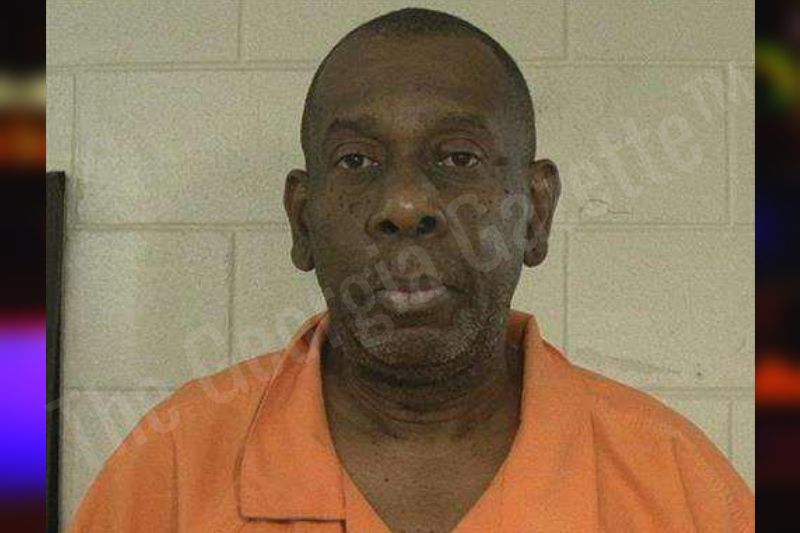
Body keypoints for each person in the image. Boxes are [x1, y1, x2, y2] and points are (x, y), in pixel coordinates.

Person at [69, 8, 754, 532]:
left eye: (458, 158)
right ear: (303, 220)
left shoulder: (682, 489)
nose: (405, 205)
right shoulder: (169, 474)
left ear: (535, 212)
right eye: (357, 161)